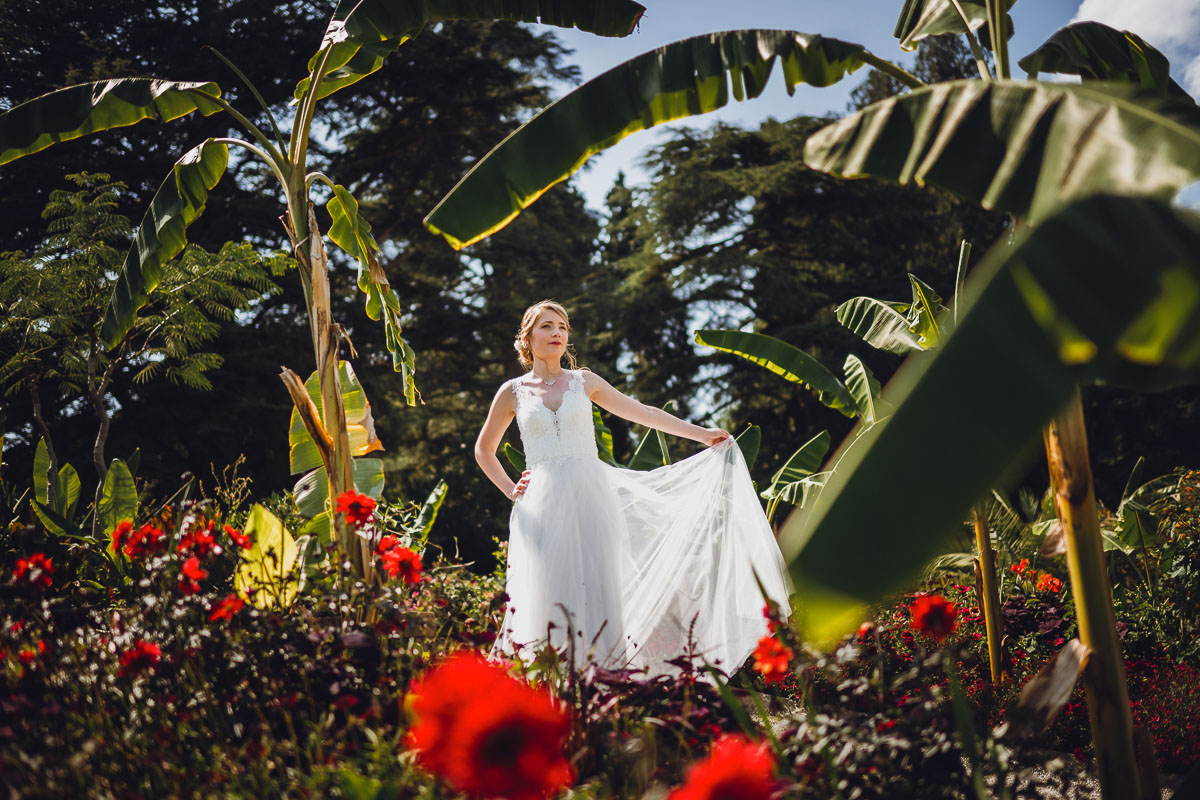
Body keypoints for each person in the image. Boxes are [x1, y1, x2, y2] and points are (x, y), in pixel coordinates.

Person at [475, 300, 792, 676]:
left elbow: (645, 413)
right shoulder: (512, 392)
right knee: (547, 591)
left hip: (591, 495)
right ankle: (550, 687)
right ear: (527, 337)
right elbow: (484, 450)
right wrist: (512, 489)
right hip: (540, 505)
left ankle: (605, 686)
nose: (557, 333)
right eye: (546, 326)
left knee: (598, 589)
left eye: (562, 326)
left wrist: (702, 434)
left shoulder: (584, 381)